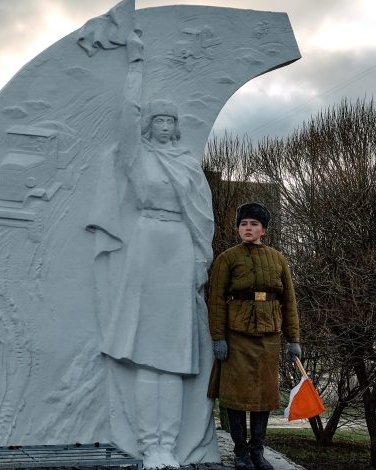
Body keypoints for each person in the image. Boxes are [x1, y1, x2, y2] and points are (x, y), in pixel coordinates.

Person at [87, 31, 215, 468]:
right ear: (149, 125)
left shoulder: (187, 165)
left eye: (169, 121)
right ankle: (150, 446)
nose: (163, 126)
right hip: (145, 246)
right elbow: (126, 118)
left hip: (179, 249)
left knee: (175, 357)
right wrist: (136, 67)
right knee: (145, 354)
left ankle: (169, 445)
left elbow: (203, 220)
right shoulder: (135, 156)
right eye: (157, 120)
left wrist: (201, 260)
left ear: (176, 127)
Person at [207, 202, 301, 470]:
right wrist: (219, 338)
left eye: (254, 224)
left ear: (264, 230)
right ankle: (240, 453)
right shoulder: (227, 258)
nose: (248, 228)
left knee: (263, 397)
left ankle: (257, 452)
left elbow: (289, 302)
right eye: (243, 224)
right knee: (236, 397)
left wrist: (293, 340)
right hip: (236, 338)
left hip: (269, 338)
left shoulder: (278, 259)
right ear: (238, 228)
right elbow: (215, 301)